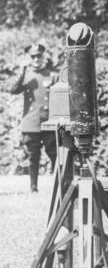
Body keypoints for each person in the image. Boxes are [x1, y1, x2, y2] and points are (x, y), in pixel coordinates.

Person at [9, 43, 58, 192]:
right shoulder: (26, 76)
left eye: (39, 56)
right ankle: (33, 187)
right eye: (33, 56)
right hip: (31, 122)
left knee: (55, 154)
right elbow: (13, 90)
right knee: (33, 156)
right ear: (29, 58)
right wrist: (22, 72)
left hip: (49, 121)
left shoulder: (52, 75)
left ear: (44, 56)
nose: (36, 59)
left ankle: (59, 185)